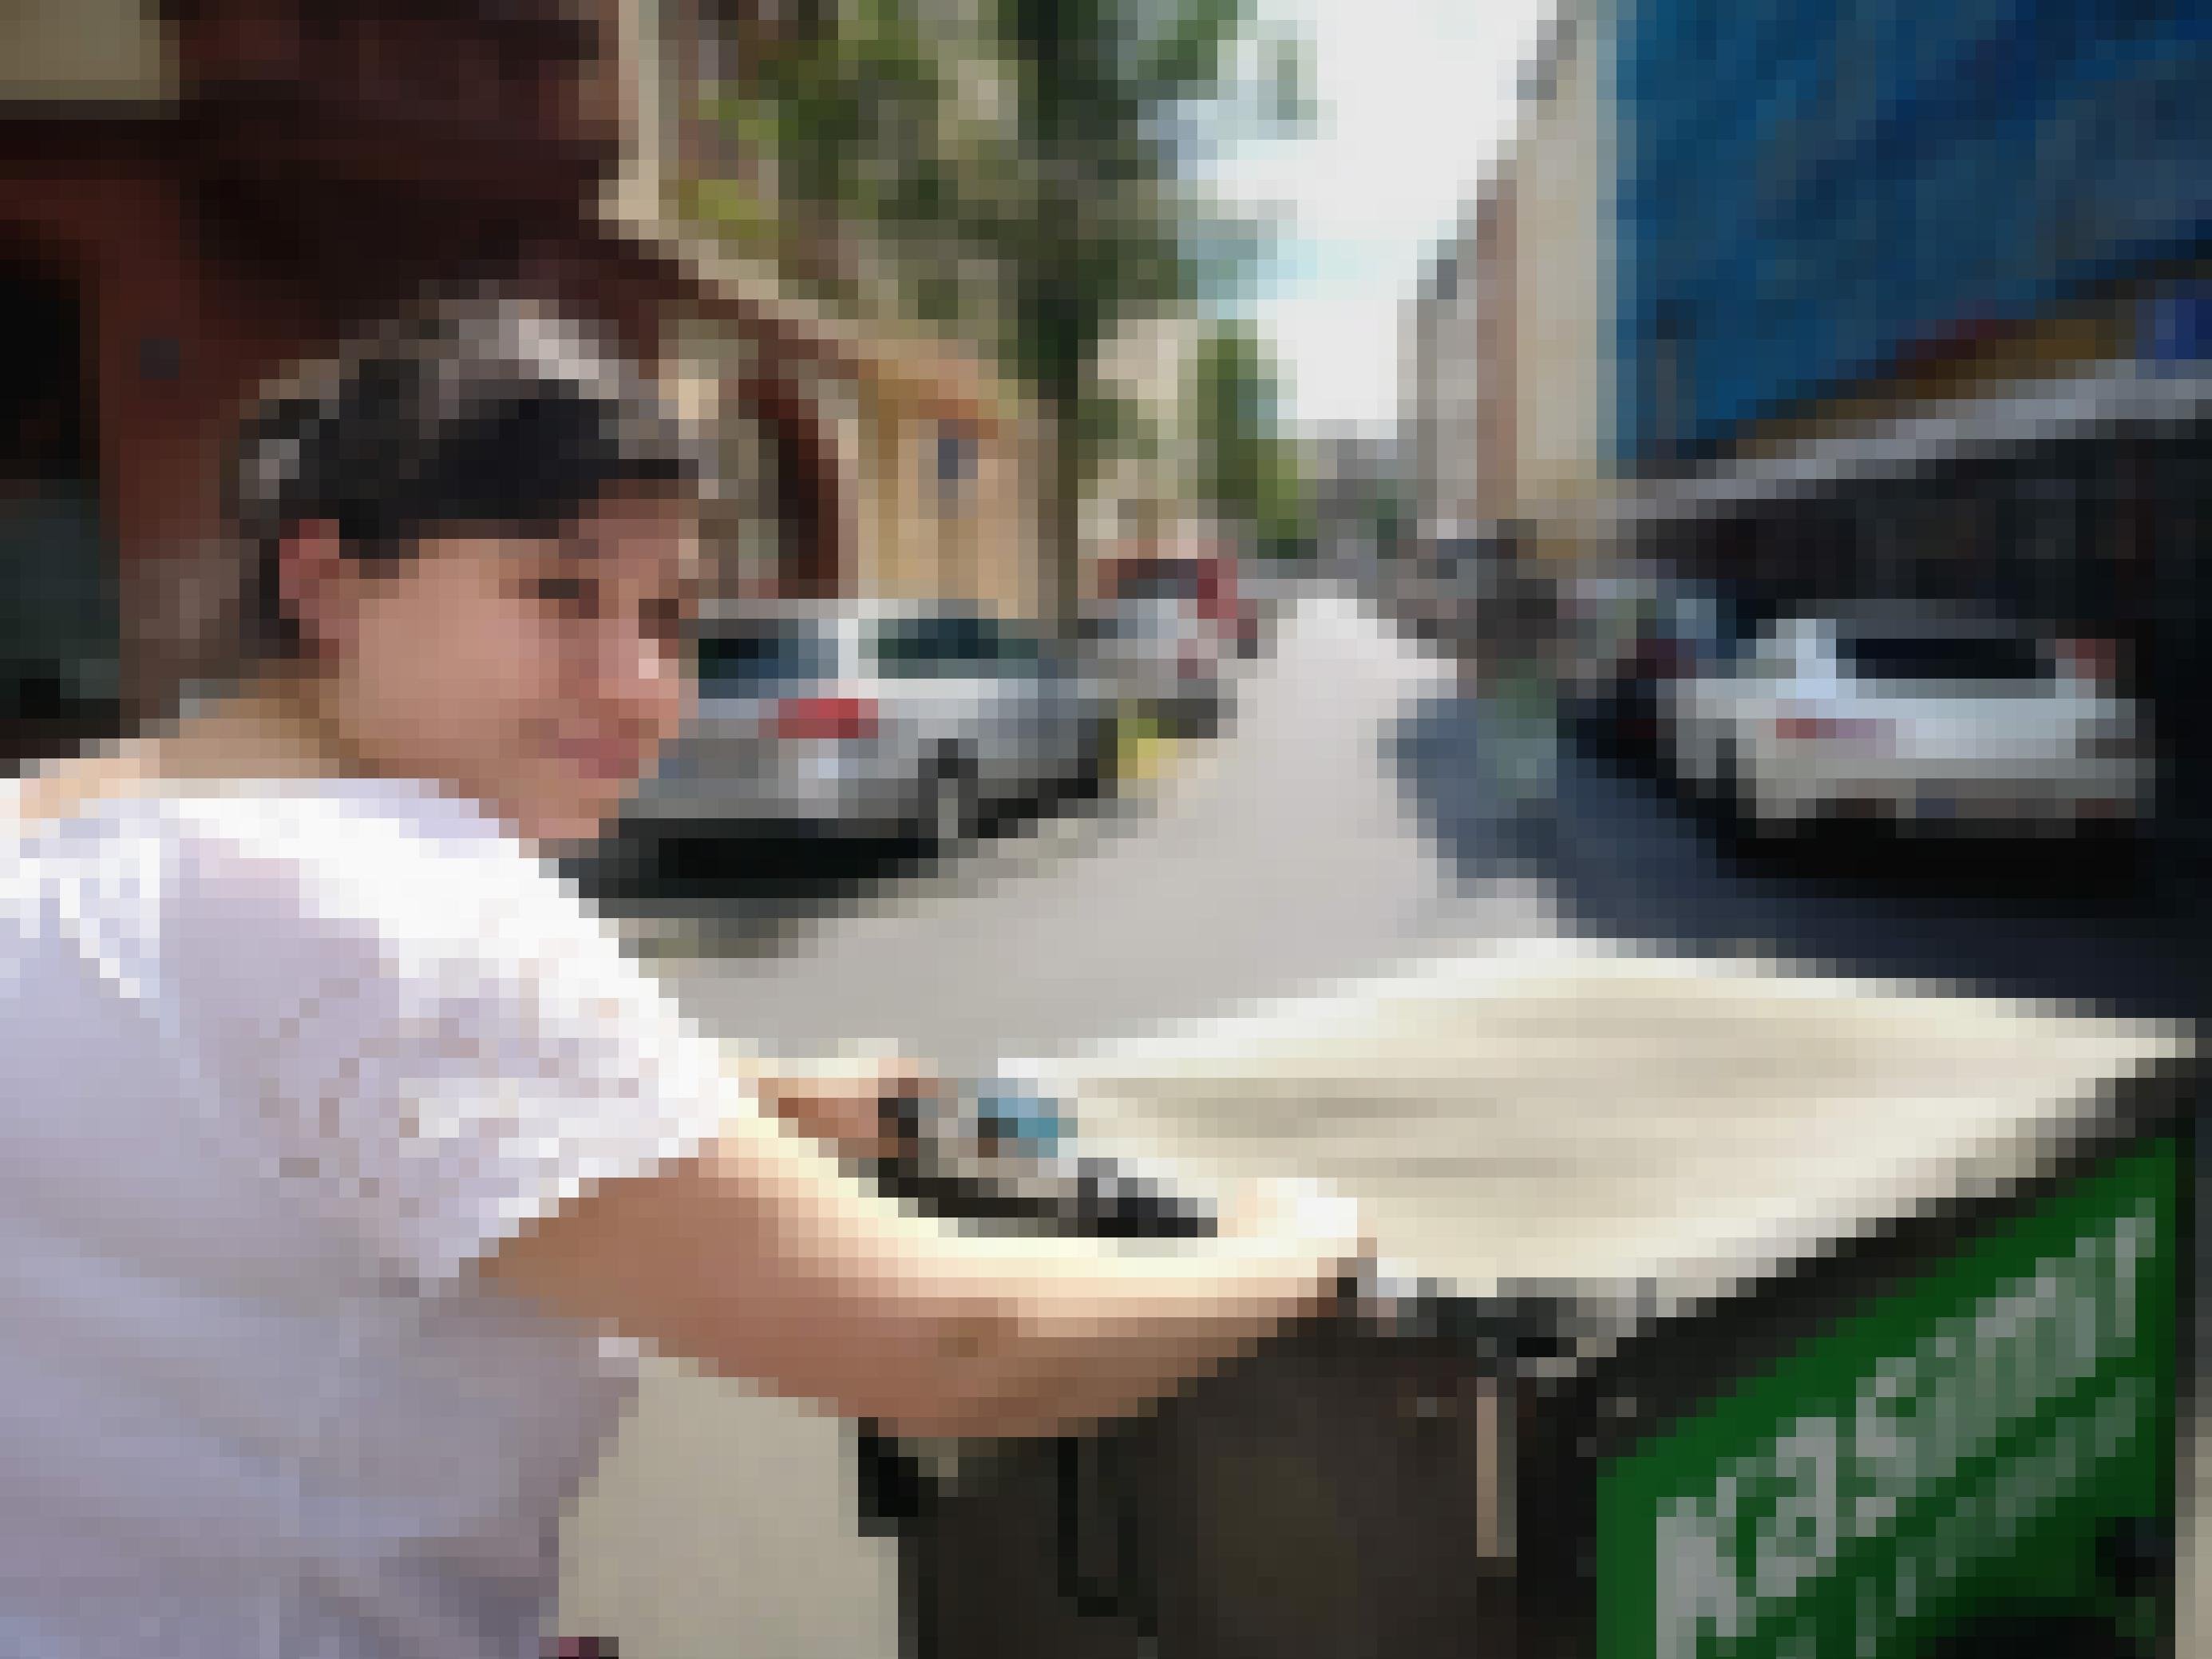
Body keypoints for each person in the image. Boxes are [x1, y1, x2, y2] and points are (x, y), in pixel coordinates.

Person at [0, 289, 1372, 1659]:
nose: (641, 682)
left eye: (669, 617)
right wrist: (1293, 1249)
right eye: (560, 591)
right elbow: (957, 1345)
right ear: (324, 584)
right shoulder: (404, 905)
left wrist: (770, 1092)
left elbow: (264, 1103)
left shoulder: (54, 830)